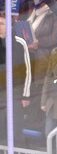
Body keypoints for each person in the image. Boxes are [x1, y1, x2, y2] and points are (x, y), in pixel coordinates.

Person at [0, 13, 32, 146]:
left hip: (15, 92)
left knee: (16, 128)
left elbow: (27, 70)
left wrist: (26, 95)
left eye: (1, 24)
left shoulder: (20, 42)